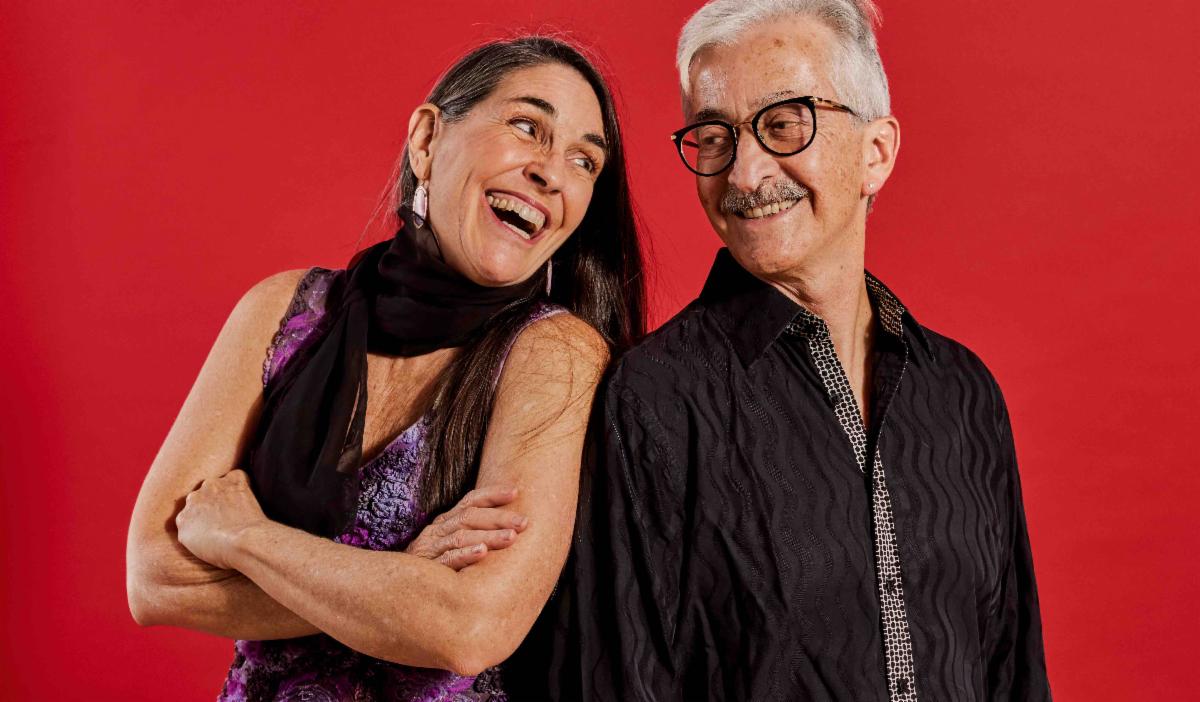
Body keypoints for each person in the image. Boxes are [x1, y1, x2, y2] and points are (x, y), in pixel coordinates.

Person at [505, 1, 1051, 700]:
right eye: (714, 137)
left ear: (876, 152)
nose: (744, 174)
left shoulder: (964, 393)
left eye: (785, 124)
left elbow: (1014, 670)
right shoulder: (653, 401)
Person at [125, 36, 645, 701]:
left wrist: (244, 538)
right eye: (526, 127)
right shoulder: (284, 311)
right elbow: (155, 578)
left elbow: (470, 626)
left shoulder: (556, 352)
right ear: (426, 139)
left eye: (584, 160)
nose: (553, 173)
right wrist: (403, 579)